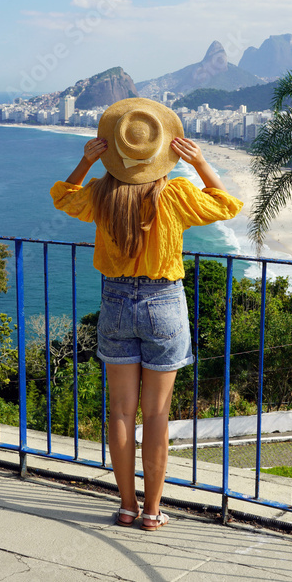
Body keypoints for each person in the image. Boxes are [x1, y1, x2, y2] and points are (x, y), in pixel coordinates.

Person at [50, 98, 242, 531]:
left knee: (120, 412)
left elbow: (64, 198)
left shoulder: (102, 193)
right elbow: (227, 204)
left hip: (116, 303)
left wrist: (85, 163)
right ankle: (153, 512)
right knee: (156, 415)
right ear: (161, 155)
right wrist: (202, 163)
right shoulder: (174, 193)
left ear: (115, 153)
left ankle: (125, 506)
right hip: (164, 303)